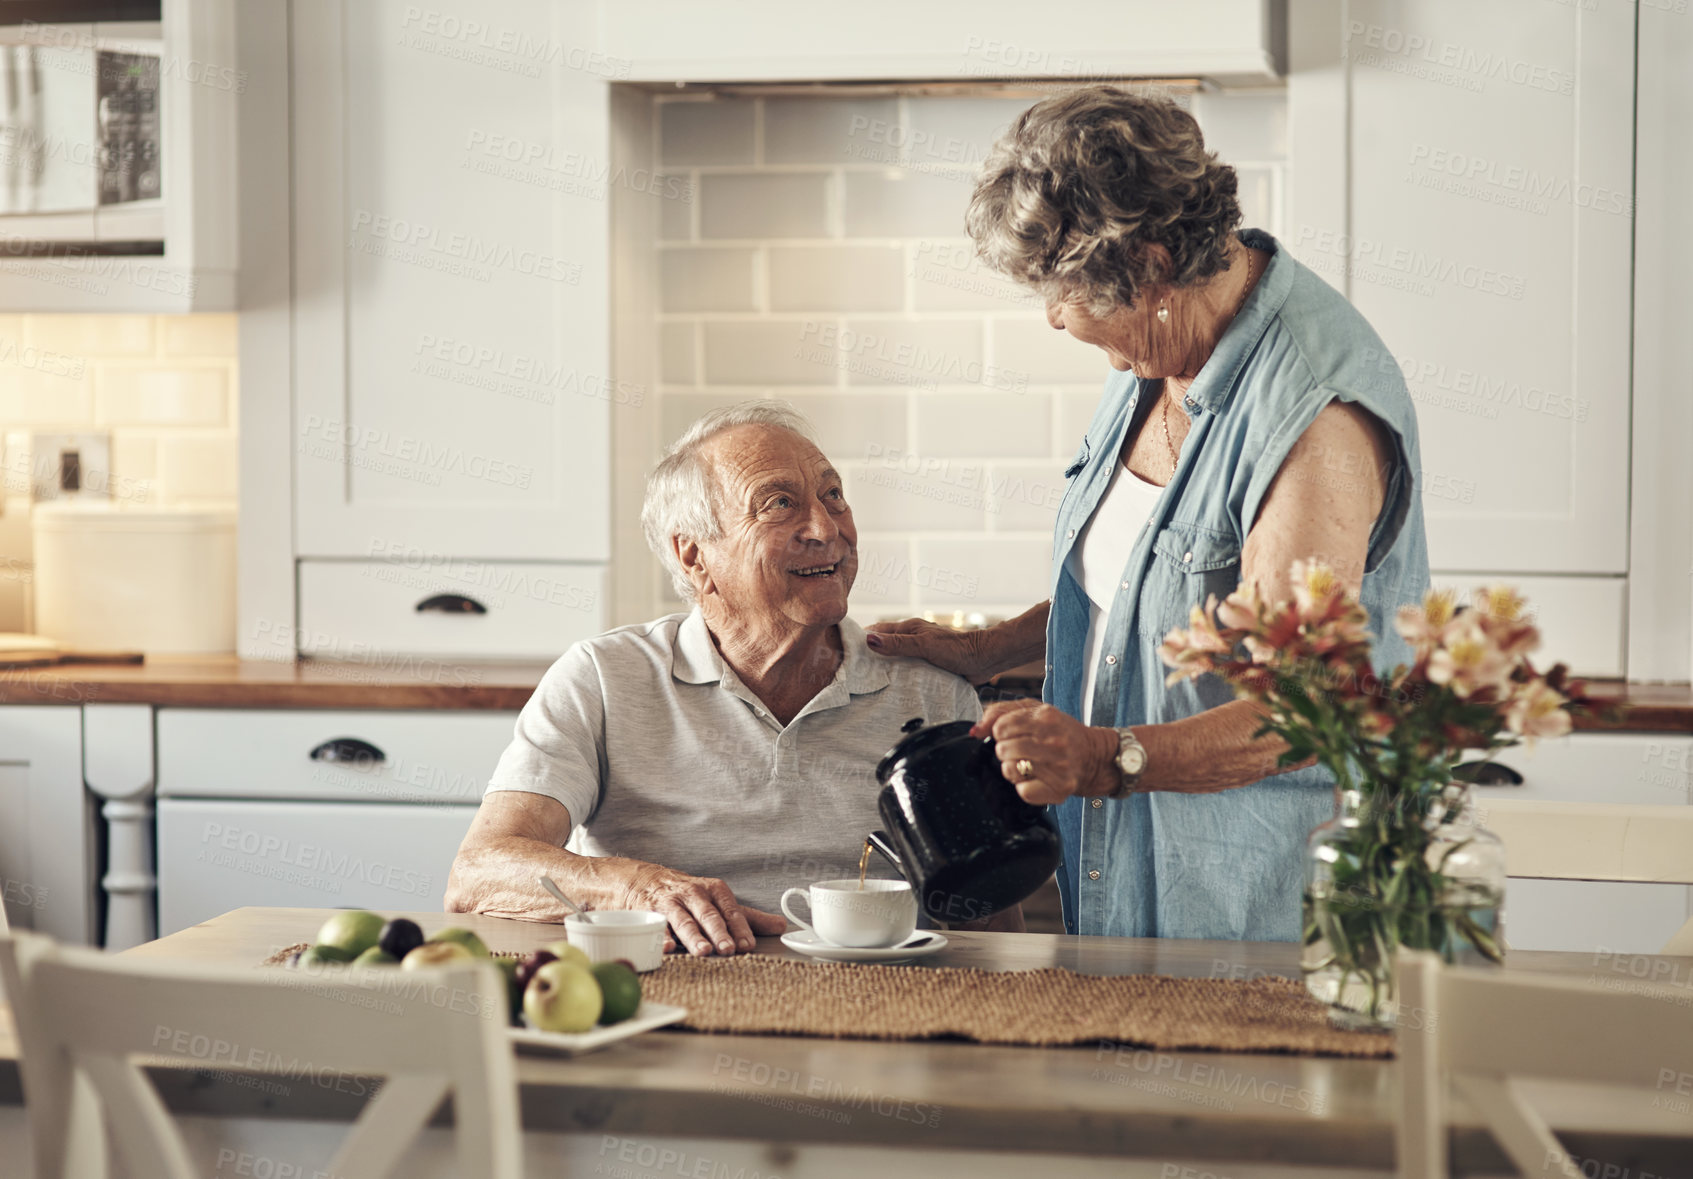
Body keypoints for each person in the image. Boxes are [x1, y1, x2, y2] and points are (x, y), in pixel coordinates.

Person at [865, 87, 1432, 942]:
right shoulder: (1154, 347)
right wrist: (991, 647)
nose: (1055, 318)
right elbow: (1152, 587)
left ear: (1152, 266)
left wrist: (1100, 758)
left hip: (1268, 898)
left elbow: (1307, 706)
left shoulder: (1312, 414)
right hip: (1129, 872)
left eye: (1062, 294)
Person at [446, 402, 998, 955]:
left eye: (833, 496)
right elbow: (480, 870)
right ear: (694, 556)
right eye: (780, 505)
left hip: (892, 1003)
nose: (826, 528)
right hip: (676, 995)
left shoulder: (933, 691)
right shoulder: (603, 678)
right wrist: (638, 889)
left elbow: (991, 923)